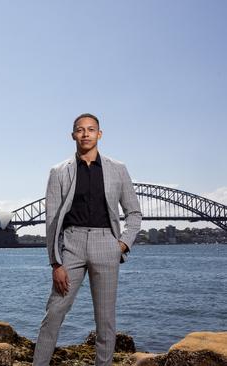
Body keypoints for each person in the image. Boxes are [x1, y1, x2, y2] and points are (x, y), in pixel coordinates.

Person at [33, 113, 142, 366]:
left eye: (91, 129)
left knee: (105, 321)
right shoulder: (59, 171)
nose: (85, 134)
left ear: (99, 134)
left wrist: (123, 244)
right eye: (80, 130)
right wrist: (55, 263)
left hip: (107, 244)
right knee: (54, 313)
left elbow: (134, 213)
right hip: (72, 245)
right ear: (73, 135)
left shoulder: (118, 169)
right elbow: (51, 221)